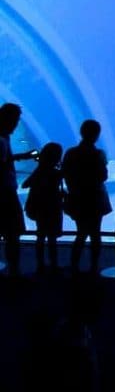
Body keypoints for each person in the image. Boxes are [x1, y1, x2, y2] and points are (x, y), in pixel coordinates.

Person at [62, 120, 111, 275]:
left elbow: (65, 174)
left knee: (81, 233)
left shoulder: (70, 153)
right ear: (96, 135)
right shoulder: (98, 154)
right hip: (95, 199)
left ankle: (74, 265)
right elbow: (103, 176)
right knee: (95, 233)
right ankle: (94, 267)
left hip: (77, 198)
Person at [0, 103, 40, 277]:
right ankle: (14, 272)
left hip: (6, 190)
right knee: (12, 233)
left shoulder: (4, 137)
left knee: (10, 234)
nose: (16, 125)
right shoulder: (1, 139)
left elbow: (5, 159)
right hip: (5, 194)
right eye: (15, 120)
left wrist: (21, 157)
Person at [23, 143, 64, 274]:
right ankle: (54, 265)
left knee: (40, 235)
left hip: (38, 207)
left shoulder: (40, 170)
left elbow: (25, 184)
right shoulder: (56, 173)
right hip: (52, 208)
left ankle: (40, 264)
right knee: (52, 238)